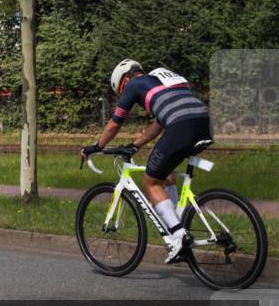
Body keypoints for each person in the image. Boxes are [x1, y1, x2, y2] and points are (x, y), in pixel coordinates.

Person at [81, 59, 213, 263]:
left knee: (150, 181)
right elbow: (159, 124)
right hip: (203, 123)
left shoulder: (134, 84)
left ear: (124, 80)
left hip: (181, 126)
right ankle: (176, 225)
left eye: (121, 90)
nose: (125, 94)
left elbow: (115, 123)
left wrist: (97, 146)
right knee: (165, 175)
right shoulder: (162, 80)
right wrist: (135, 144)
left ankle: (179, 236)